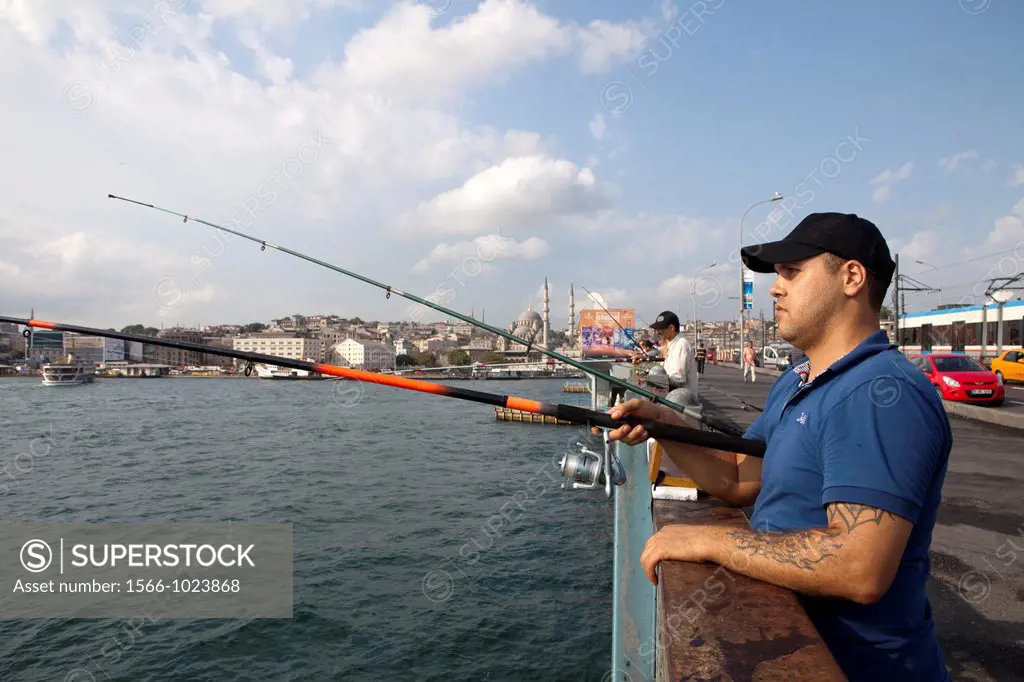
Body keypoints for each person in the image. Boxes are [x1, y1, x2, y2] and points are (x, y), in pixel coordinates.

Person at [599, 213, 952, 681]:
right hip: (784, 647)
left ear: (851, 278)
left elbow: (859, 566)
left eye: (792, 272)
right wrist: (666, 425)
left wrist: (711, 540)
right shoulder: (796, 381)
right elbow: (739, 478)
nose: (774, 289)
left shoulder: (882, 394)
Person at [649, 310, 698, 400]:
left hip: (681, 403)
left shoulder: (681, 345)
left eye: (660, 329)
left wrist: (650, 378)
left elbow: (677, 381)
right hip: (675, 399)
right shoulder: (673, 344)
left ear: (671, 328)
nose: (658, 332)